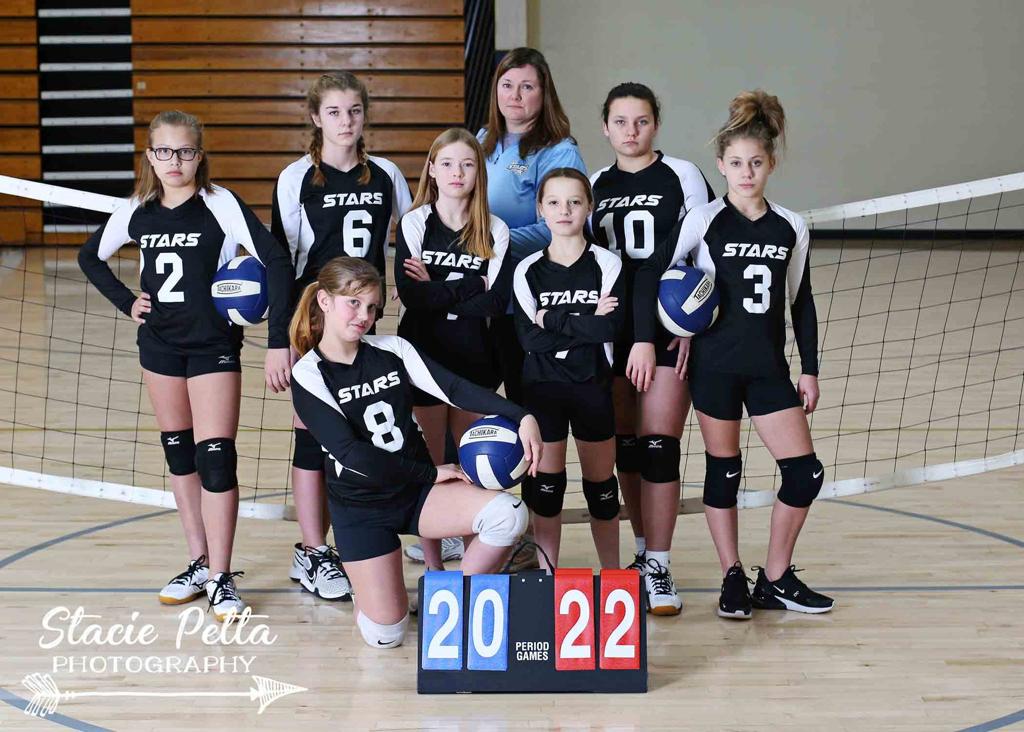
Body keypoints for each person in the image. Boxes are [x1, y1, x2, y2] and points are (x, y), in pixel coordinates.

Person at [78, 110, 294, 621]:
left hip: (212, 345)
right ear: (150, 156)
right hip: (159, 347)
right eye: (164, 151)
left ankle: (221, 575)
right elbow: (91, 256)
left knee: (216, 457)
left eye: (185, 151)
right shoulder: (137, 209)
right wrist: (126, 302)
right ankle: (198, 561)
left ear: (200, 155)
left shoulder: (220, 204)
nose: (174, 161)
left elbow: (277, 260)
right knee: (179, 454)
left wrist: (278, 340)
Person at [635, 90, 834, 619]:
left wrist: (810, 369)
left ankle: (776, 577)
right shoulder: (703, 219)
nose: (746, 172)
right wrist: (670, 327)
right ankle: (732, 576)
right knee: (724, 471)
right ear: (721, 166)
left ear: (771, 165)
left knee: (805, 473)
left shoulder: (790, 226)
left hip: (768, 368)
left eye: (756, 163)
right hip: (714, 368)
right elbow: (655, 274)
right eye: (737, 163)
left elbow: (801, 301)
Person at [289, 257, 541, 648]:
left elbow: (453, 389)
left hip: (417, 495)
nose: (364, 316)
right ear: (324, 300)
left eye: (372, 306)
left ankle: (449, 602)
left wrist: (521, 415)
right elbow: (351, 453)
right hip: (362, 509)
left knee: (508, 515)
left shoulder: (393, 349)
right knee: (386, 635)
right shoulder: (308, 373)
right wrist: (430, 473)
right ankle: (368, 592)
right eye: (353, 303)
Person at [272, 72, 412, 599]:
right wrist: (279, 342)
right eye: (333, 112)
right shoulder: (295, 178)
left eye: (354, 110)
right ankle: (312, 551)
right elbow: (280, 264)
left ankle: (375, 527)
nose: (345, 121)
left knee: (363, 423)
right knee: (311, 432)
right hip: (313, 318)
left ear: (365, 115)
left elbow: (412, 235)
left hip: (363, 317)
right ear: (316, 117)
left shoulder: (387, 174)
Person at [591, 82, 714, 615]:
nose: (631, 131)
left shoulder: (682, 175)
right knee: (626, 446)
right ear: (605, 128)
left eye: (641, 121)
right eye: (620, 122)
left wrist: (692, 323)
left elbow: (707, 249)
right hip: (614, 329)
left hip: (666, 325)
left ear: (656, 124)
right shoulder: (595, 183)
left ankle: (660, 566)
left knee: (659, 443)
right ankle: (641, 552)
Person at [395, 128, 513, 569]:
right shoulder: (414, 223)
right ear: (432, 169)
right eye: (446, 163)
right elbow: (413, 296)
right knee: (432, 463)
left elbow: (497, 302)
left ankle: (470, 560)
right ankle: (433, 567)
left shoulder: (494, 229)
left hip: (475, 358)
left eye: (466, 164)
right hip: (422, 356)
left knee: (472, 464)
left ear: (479, 172)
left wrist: (439, 286)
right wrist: (470, 284)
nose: (456, 172)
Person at [513, 168, 624, 569]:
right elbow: (529, 339)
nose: (565, 210)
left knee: (602, 489)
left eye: (575, 202)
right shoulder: (527, 270)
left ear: (589, 207)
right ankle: (547, 576)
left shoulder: (607, 264)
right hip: (543, 389)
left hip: (593, 386)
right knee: (546, 489)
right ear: (540, 209)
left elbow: (610, 328)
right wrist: (586, 320)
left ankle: (612, 575)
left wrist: (551, 318)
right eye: (555, 202)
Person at [478, 47, 587, 405]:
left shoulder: (558, 151)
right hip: (479, 295)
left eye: (527, 87)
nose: (515, 95)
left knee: (527, 406)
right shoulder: (481, 141)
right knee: (470, 402)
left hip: (526, 301)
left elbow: (562, 228)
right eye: (507, 85)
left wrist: (488, 244)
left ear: (544, 93)